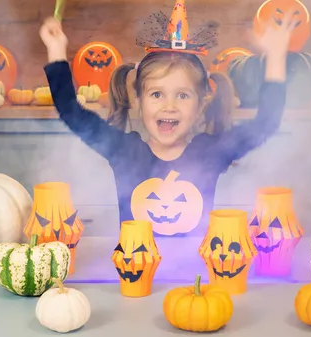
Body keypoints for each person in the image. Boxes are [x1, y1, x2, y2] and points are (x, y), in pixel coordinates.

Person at [39, 13, 297, 237]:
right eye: (157, 94)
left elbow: (267, 123)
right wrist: (56, 50)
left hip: (195, 280)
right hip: (136, 274)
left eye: (182, 95)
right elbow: (72, 113)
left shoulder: (211, 152)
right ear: (138, 100)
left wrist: (275, 56)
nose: (169, 105)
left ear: (200, 106)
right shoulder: (123, 150)